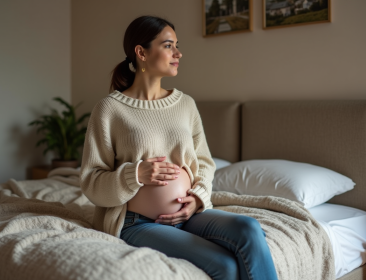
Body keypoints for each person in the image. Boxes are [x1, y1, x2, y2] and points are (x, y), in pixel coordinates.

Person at [79, 15, 278, 280]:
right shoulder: (109, 110)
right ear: (141, 52)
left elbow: (205, 163)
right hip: (138, 223)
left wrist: (197, 199)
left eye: (177, 45)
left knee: (249, 228)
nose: (179, 53)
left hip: (190, 215)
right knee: (227, 267)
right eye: (169, 45)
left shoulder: (185, 105)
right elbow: (91, 181)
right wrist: (135, 175)